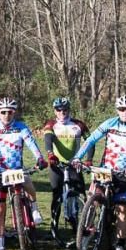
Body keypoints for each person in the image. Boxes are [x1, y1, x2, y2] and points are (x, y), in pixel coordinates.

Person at [73, 95, 126, 250]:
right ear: (117, 110)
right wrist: (77, 157)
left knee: (121, 209)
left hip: (123, 173)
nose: (125, 112)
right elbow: (91, 139)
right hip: (105, 169)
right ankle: (86, 233)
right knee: (92, 202)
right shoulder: (110, 123)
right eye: (122, 109)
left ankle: (120, 245)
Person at [0, 98, 47, 250]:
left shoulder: (21, 127)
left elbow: (31, 143)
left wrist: (39, 158)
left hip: (17, 170)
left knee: (27, 181)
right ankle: (1, 247)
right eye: (3, 112)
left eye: (10, 112)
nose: (6, 115)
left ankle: (34, 207)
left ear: (14, 113)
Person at [42, 97, 89, 237]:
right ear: (55, 111)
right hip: (56, 165)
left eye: (65, 109)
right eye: (59, 110)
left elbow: (90, 142)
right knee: (56, 195)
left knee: (80, 194)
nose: (62, 112)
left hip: (74, 164)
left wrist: (89, 159)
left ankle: (81, 226)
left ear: (69, 110)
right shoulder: (51, 124)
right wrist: (50, 154)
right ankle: (53, 227)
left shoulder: (78, 124)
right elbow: (48, 139)